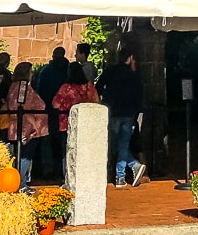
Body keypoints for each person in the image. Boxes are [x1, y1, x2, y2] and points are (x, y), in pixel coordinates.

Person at [97, 46, 146, 188]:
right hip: (128, 113)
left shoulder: (110, 71)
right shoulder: (133, 75)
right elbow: (139, 95)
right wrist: (138, 112)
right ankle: (127, 170)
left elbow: (99, 86)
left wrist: (104, 100)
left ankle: (123, 174)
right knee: (122, 143)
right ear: (129, 58)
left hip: (113, 111)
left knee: (115, 143)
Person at [1, 63, 48, 189]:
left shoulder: (15, 86)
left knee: (21, 156)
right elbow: (19, 106)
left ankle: (20, 183)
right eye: (30, 71)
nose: (32, 74)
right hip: (24, 129)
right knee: (24, 156)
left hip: (20, 128)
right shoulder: (22, 87)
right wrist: (33, 122)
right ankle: (20, 184)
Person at [53, 62, 98, 178]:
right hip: (86, 124)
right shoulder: (89, 87)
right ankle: (84, 176)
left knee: (67, 151)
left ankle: (67, 177)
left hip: (66, 124)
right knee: (84, 151)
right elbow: (96, 102)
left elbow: (55, 104)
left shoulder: (66, 88)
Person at [35, 47, 71, 179]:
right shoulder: (68, 71)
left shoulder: (45, 71)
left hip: (49, 109)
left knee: (46, 140)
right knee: (65, 142)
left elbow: (39, 89)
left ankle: (48, 169)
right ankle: (64, 170)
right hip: (66, 112)